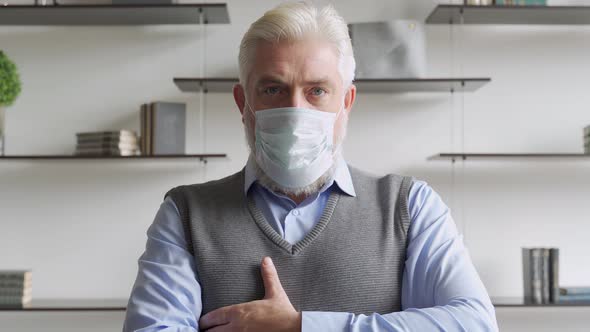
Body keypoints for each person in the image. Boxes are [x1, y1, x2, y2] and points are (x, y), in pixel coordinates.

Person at [123, 2, 498, 331]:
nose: (296, 111)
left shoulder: (409, 206)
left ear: (346, 102)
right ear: (243, 103)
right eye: (273, 89)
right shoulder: (186, 213)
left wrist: (302, 326)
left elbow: (473, 324)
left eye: (317, 90)